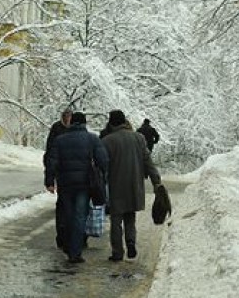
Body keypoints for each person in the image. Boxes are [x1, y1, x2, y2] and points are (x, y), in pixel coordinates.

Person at [45, 111, 108, 264]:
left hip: (65, 183)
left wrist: (49, 181)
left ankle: (67, 245)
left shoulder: (60, 140)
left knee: (67, 215)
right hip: (84, 184)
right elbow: (103, 160)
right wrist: (102, 176)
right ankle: (75, 252)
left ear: (71, 122)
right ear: (85, 123)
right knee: (80, 216)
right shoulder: (92, 139)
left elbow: (51, 161)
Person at [102, 110, 161, 262]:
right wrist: (156, 181)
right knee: (130, 217)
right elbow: (148, 161)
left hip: (116, 185)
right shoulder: (139, 138)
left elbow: (102, 166)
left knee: (116, 220)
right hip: (134, 184)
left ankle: (117, 252)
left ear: (111, 123)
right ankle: (131, 242)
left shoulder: (107, 141)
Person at [43, 108, 72, 249]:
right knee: (64, 207)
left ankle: (66, 236)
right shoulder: (57, 128)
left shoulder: (75, 130)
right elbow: (50, 154)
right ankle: (64, 236)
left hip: (67, 174)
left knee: (66, 207)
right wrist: (49, 179)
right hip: (63, 174)